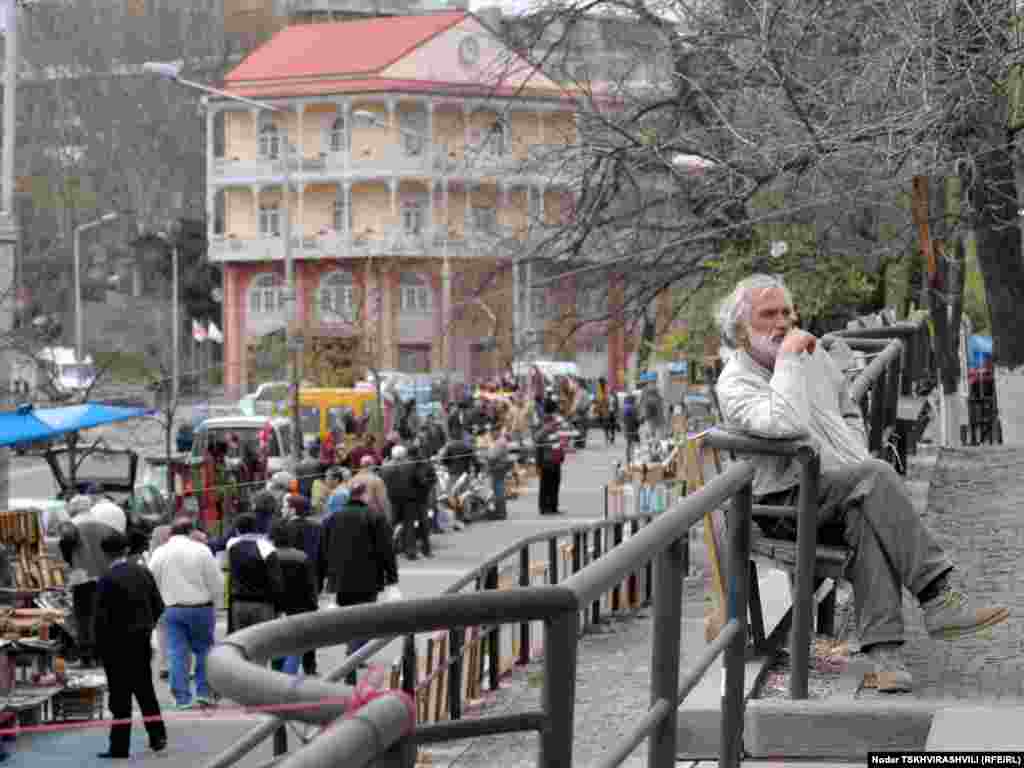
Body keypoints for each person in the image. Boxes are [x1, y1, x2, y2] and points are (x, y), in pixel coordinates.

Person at [714, 273, 1010, 693]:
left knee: (866, 512)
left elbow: (848, 407)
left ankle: (885, 655)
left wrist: (849, 451)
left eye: (786, 312)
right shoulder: (735, 382)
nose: (782, 322)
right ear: (742, 329)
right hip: (780, 503)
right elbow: (785, 423)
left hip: (833, 485)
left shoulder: (811, 355)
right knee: (876, 476)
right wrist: (789, 362)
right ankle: (936, 595)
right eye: (768, 314)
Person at [93, 531, 167, 759]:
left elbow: (100, 619)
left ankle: (119, 746)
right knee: (145, 690)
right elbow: (159, 605)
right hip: (141, 641)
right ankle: (157, 736)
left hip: (115, 645)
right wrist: (147, 626)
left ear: (104, 554)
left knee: (120, 696)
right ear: (126, 550)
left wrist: (99, 647)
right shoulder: (143, 572)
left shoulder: (106, 579)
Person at [320, 479, 399, 684]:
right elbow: (386, 550)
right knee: (365, 619)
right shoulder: (375, 517)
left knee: (349, 617)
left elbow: (323, 550)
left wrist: (323, 579)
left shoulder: (332, 518)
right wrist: (392, 579)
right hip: (368, 577)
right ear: (365, 495)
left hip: (340, 578)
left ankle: (353, 652)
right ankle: (354, 656)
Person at [148, 517, 223, 710]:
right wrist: (217, 604)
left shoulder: (160, 552)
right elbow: (215, 581)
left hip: (172, 609)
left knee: (176, 652)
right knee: (204, 651)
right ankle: (205, 692)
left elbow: (151, 580)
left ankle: (182, 697)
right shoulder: (202, 550)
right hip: (201, 608)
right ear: (191, 531)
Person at [268, 521, 319, 675]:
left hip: (276, 606)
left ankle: (277, 671)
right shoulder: (302, 557)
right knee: (298, 643)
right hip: (300, 606)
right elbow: (310, 585)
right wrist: (313, 605)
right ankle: (298, 670)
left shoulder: (268, 556)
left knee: (276, 641)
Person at [226, 514, 286, 633]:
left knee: (241, 640)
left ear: (237, 530)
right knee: (263, 640)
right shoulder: (267, 548)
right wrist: (279, 607)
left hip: (238, 604)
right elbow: (276, 580)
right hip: (263, 604)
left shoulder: (232, 546)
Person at [533, 399, 565, 516]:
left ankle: (553, 506)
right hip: (547, 458)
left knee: (555, 482)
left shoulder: (556, 422)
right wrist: (548, 427)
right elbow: (536, 437)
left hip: (555, 456)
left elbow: (560, 437)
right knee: (546, 483)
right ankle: (544, 507)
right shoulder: (543, 422)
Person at [486, 428, 512, 520]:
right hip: (499, 468)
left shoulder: (500, 442)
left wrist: (487, 456)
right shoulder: (500, 441)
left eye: (491, 433)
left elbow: (493, 456)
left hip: (498, 468)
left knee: (498, 491)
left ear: (496, 432)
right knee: (498, 490)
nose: (491, 435)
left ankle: (500, 513)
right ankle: (500, 512)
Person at [622, 394, 640, 467]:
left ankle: (628, 459)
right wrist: (640, 421)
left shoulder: (624, 408)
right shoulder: (632, 408)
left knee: (628, 444)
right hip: (632, 428)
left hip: (627, 428)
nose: (636, 401)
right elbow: (635, 419)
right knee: (637, 444)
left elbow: (623, 419)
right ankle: (634, 460)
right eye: (635, 400)